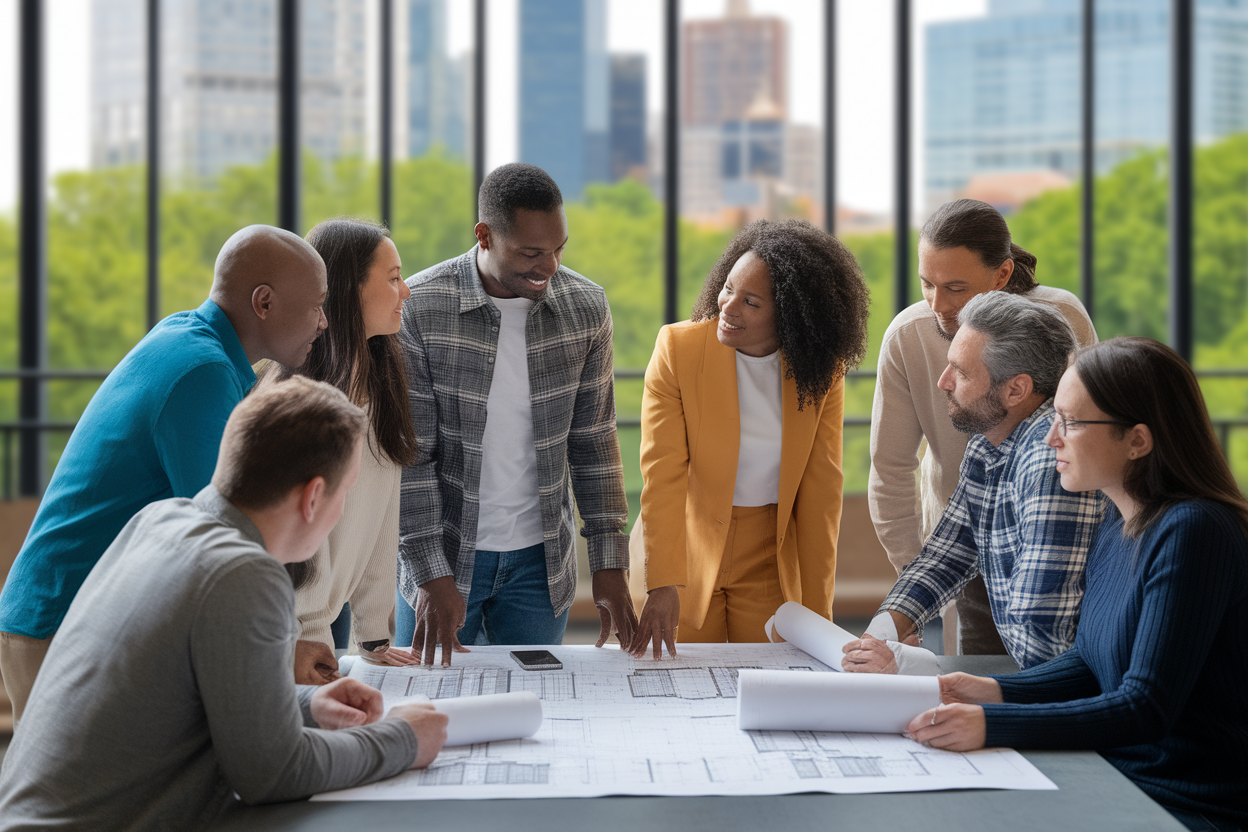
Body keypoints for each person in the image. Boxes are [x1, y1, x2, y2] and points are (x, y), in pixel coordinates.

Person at [0, 377, 449, 831]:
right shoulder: (244, 573)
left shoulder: (160, 519)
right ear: (313, 497)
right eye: (346, 490)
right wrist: (403, 739)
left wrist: (308, 704)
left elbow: (191, 694)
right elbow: (273, 773)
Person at [905, 338, 1248, 831]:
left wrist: (992, 723)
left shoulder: (1195, 532)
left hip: (1188, 805)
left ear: (1137, 441)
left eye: (1070, 422)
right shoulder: (1119, 521)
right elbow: (1089, 663)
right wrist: (995, 691)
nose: (1051, 438)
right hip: (1121, 778)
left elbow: (1144, 707)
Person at [0, 225, 334, 724]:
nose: (324, 322)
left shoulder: (188, 337)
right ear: (264, 303)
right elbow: (222, 540)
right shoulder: (201, 372)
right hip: (65, 623)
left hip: (72, 614)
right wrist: (278, 651)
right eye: (317, 306)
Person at [396, 162, 636, 665]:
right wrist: (430, 574)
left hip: (540, 568)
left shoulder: (587, 308)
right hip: (443, 556)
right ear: (484, 236)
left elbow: (594, 444)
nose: (549, 266)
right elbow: (410, 459)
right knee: (429, 695)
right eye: (531, 253)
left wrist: (609, 563)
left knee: (536, 701)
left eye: (558, 249)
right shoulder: (420, 308)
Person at [629, 219, 871, 656]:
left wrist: (818, 614)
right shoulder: (679, 349)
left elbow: (821, 492)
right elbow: (661, 473)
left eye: (751, 302)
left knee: (773, 675)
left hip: (768, 557)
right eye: (727, 288)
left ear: (791, 315)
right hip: (684, 546)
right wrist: (661, 582)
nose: (728, 306)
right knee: (678, 680)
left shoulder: (820, 370)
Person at [869, 199, 1097, 657]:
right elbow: (942, 545)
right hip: (977, 541)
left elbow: (1040, 653)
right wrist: (893, 621)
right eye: (927, 284)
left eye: (956, 287)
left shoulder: (1048, 467)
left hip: (1054, 534)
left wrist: (956, 692)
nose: (938, 305)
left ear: (1002, 274)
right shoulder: (984, 449)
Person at [844, 291, 1104, 674]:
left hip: (1065, 689)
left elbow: (1043, 640)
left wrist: (914, 668)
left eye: (961, 372)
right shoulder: (987, 443)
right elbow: (945, 555)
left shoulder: (1050, 460)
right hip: (1031, 679)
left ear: (1016, 390)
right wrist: (880, 636)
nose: (943, 382)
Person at [274, 218, 419, 669]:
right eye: (393, 279)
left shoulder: (379, 387)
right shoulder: (299, 403)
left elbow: (383, 517)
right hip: (288, 631)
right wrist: (312, 644)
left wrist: (374, 636)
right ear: (347, 291)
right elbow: (298, 547)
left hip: (325, 617)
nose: (406, 291)